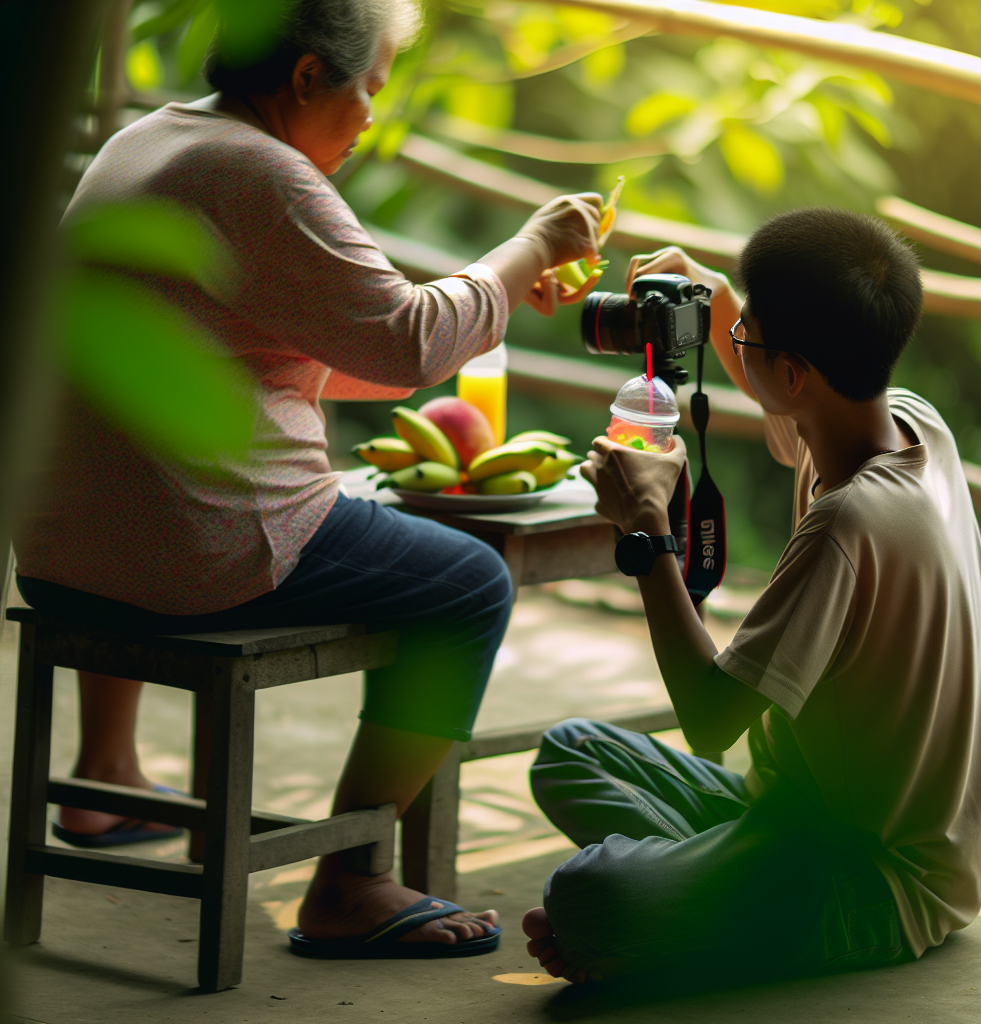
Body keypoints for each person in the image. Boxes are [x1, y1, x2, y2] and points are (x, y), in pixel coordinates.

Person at [13, 0, 603, 957]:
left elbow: (346, 347)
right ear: (304, 78)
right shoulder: (263, 172)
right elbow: (407, 342)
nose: (370, 117)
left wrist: (486, 298)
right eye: (369, 88)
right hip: (196, 548)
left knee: (168, 475)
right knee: (469, 583)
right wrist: (527, 248)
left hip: (58, 547)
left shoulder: (149, 140)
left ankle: (105, 782)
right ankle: (352, 882)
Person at [522, 208, 981, 985]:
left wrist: (649, 530)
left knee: (585, 896)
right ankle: (693, 902)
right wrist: (713, 303)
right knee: (569, 753)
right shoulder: (914, 423)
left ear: (795, 373)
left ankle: (670, 916)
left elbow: (711, 720)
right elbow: (790, 420)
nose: (733, 341)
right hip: (787, 810)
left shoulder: (847, 524)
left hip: (877, 875)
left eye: (749, 336)